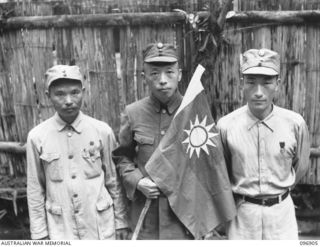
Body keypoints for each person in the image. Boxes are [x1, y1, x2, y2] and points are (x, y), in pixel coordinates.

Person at [27, 65, 129, 240]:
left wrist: (121, 221)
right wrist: (39, 233)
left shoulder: (101, 131)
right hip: (61, 228)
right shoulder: (37, 137)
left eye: (75, 92)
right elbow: (35, 189)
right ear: (48, 96)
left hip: (99, 226)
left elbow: (114, 181)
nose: (68, 100)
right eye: (59, 94)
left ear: (83, 92)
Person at [217, 48, 310, 239]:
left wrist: (279, 189)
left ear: (278, 83)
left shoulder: (295, 124)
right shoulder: (226, 126)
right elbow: (222, 172)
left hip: (281, 216)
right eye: (251, 82)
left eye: (267, 82)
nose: (258, 92)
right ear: (242, 83)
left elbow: (300, 167)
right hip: (242, 217)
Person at [112, 42, 196, 239]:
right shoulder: (133, 113)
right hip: (145, 216)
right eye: (154, 73)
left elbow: (207, 165)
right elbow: (122, 158)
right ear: (144, 78)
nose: (162, 80)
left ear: (180, 74)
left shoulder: (194, 111)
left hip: (183, 218)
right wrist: (138, 181)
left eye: (169, 72)